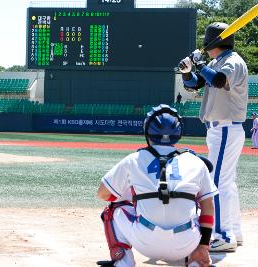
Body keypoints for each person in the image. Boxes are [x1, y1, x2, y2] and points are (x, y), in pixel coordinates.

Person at [97, 104, 218, 267]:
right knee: (197, 205)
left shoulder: (134, 159)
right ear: (179, 132)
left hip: (145, 242)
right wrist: (204, 245)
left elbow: (103, 194)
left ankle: (123, 260)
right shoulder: (195, 161)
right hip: (185, 243)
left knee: (112, 209)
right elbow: (209, 207)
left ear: (147, 131)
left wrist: (131, 197)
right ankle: (197, 259)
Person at [178, 22, 248, 252]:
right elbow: (197, 84)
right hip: (220, 129)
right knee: (226, 182)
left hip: (226, 127)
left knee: (216, 183)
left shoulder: (232, 61)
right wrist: (188, 72)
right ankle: (233, 232)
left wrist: (198, 63)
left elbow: (218, 80)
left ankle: (222, 234)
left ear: (212, 41)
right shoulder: (216, 62)